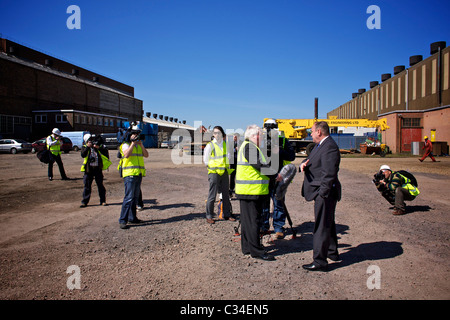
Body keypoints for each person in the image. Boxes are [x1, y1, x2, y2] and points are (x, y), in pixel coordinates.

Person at [299, 121, 341, 271]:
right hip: (322, 192)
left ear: (319, 132)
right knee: (327, 222)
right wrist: (303, 163)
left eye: (311, 131)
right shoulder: (320, 145)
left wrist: (322, 194)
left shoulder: (329, 147)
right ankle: (332, 252)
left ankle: (320, 261)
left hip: (325, 193)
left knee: (321, 226)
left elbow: (329, 174)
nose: (310, 134)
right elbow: (312, 159)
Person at [235, 124, 280, 261]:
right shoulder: (249, 147)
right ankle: (256, 251)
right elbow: (260, 166)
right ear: (254, 135)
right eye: (261, 134)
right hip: (250, 191)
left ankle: (248, 247)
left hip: (250, 190)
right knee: (253, 221)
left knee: (248, 221)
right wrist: (275, 174)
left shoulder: (250, 147)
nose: (262, 137)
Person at [261, 119, 296, 239]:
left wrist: (279, 150)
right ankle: (264, 226)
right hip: (265, 176)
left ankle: (278, 227)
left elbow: (291, 156)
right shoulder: (260, 140)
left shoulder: (283, 139)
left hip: (279, 176)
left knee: (279, 203)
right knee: (264, 204)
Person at [118, 125, 148, 229]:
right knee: (129, 198)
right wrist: (133, 144)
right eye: (134, 134)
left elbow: (146, 155)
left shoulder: (139, 145)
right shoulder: (125, 145)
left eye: (137, 134)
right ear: (130, 135)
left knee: (135, 198)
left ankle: (132, 218)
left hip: (138, 174)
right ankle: (123, 220)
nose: (136, 136)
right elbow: (126, 155)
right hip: (129, 174)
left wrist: (141, 145)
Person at [203, 126, 235, 224]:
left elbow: (229, 157)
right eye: (215, 133)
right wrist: (214, 168)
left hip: (224, 172)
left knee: (226, 195)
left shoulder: (225, 145)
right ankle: (209, 216)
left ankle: (227, 214)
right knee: (212, 195)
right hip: (214, 173)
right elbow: (206, 161)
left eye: (219, 133)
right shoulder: (210, 145)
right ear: (213, 135)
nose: (217, 134)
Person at [80, 134, 111, 207]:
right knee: (87, 186)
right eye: (89, 141)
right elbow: (83, 155)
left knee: (100, 185)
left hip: (97, 169)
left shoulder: (98, 147)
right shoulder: (84, 147)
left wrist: (98, 147)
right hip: (88, 169)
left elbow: (106, 153)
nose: (91, 142)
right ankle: (84, 202)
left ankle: (103, 201)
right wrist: (88, 147)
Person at [229, 133, 239, 198]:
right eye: (234, 137)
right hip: (232, 161)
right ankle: (231, 188)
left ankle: (237, 188)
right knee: (232, 175)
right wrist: (235, 149)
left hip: (238, 161)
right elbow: (229, 150)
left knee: (238, 175)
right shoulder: (231, 143)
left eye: (236, 137)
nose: (235, 138)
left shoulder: (240, 143)